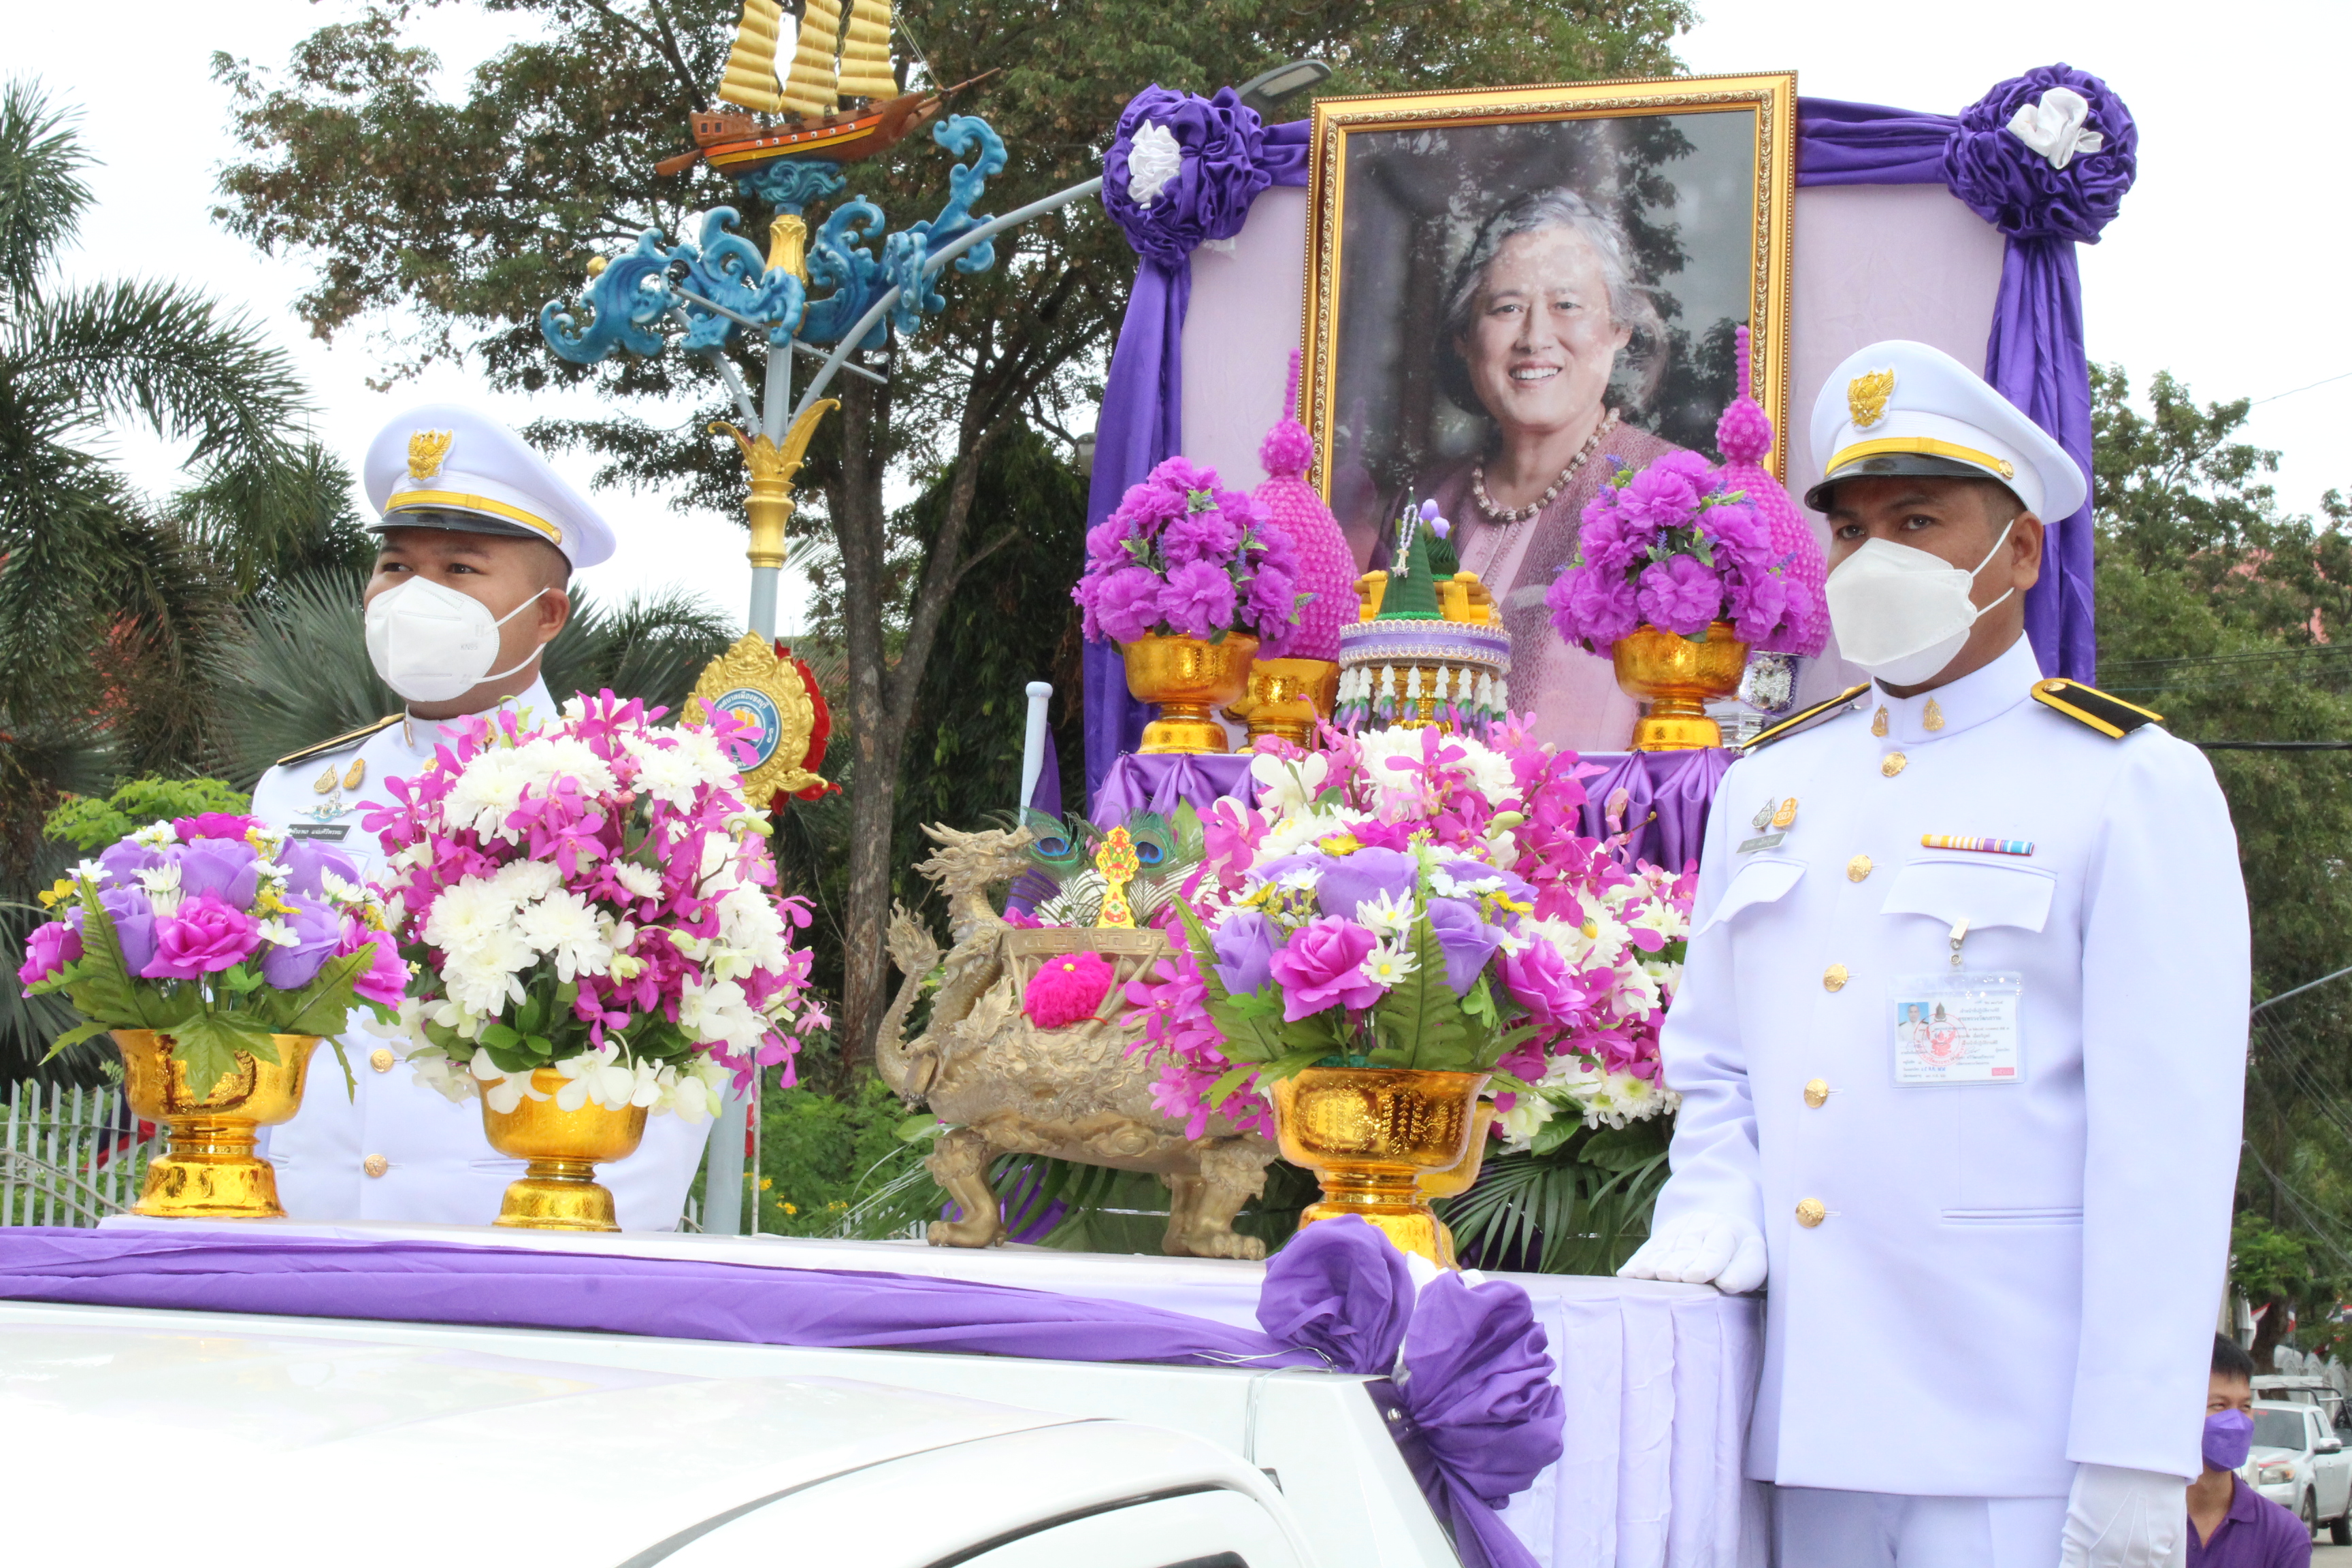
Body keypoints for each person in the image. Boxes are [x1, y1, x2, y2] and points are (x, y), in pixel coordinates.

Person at [1618, 340, 2251, 1567]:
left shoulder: (2128, 783)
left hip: (2015, 1447)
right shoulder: (1770, 782)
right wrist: (1707, 1201)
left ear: (2017, 552)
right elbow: (1715, 1061)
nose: (1877, 558)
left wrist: (2134, 1447)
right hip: (1799, 1431)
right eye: (1852, 530)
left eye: (1919, 518)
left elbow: (2164, 1147)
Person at [249, 404, 714, 1228]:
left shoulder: (631, 798)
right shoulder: (294, 793)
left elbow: (677, 1064)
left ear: (546, 615)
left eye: (461, 570)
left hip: (513, 1241)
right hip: (305, 1244)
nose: (413, 595)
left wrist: (601, 1263)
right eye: (395, 567)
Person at [1394, 187, 1679, 751]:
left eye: (1567, 305)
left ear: (1619, 329)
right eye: (1506, 308)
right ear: (1464, 337)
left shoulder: (1671, 491)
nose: (1533, 338)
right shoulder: (1423, 502)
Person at [2191, 1334, 2310, 1567]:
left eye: (2245, 1407)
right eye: (2219, 1406)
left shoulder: (2282, 1534)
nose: (2236, 1421)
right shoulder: (2143, 1520)